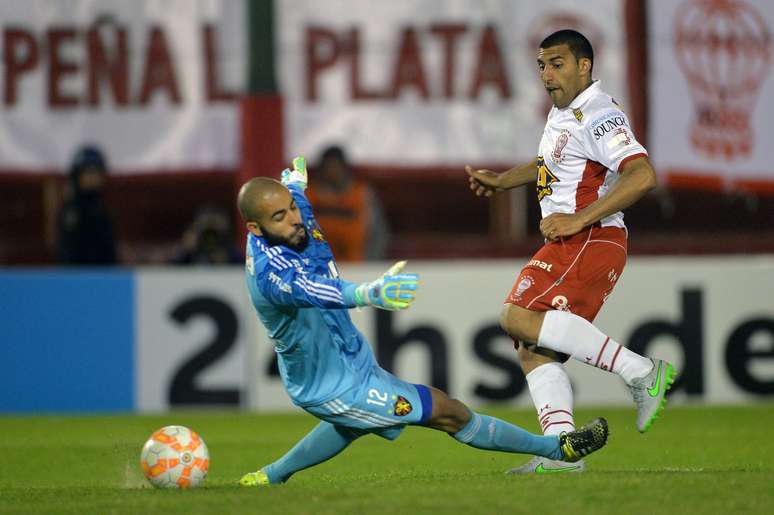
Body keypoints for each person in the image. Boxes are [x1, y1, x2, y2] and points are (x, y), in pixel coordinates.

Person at [237, 157, 609, 486]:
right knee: (447, 412)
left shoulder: (293, 209)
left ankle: (273, 475)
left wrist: (295, 187)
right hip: (329, 385)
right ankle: (560, 449)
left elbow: (293, 198)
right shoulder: (272, 274)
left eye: (291, 208)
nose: (293, 219)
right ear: (255, 228)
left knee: (350, 425)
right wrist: (370, 293)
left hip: (351, 360)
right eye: (280, 217)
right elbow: (316, 289)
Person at [466, 30, 676, 475]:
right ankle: (560, 452)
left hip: (592, 238)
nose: (546, 74)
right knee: (531, 347)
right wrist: (504, 181)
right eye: (541, 64)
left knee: (515, 316)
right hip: (571, 241)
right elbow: (554, 164)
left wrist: (580, 219)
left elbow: (642, 176)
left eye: (557, 63)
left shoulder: (599, 113)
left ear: (585, 66)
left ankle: (641, 372)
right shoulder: (565, 112)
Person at [305, 145, 388, 261]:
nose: (332, 173)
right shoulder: (305, 196)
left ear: (345, 169)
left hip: (355, 268)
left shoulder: (362, 195)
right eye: (328, 168)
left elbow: (378, 235)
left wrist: (369, 266)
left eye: (336, 167)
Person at [56, 145, 117, 265]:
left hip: (105, 279)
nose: (92, 178)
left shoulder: (104, 210)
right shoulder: (70, 211)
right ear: (77, 176)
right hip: (77, 279)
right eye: (88, 172)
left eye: (96, 172)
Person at [174, 206, 242, 265]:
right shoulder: (190, 253)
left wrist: (227, 258)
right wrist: (186, 250)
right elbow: (173, 268)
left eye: (215, 226)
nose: (210, 237)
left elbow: (243, 264)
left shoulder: (231, 253)